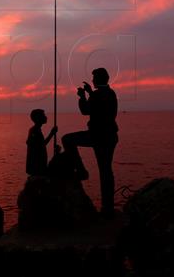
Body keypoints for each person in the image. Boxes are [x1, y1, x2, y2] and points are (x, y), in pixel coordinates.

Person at [62, 67, 119, 218]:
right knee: (106, 170)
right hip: (110, 136)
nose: (92, 80)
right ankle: (108, 208)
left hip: (97, 136)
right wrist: (90, 93)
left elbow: (86, 110)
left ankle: (81, 171)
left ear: (99, 79)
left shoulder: (98, 95)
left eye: (94, 78)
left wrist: (82, 96)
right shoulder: (110, 93)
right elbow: (99, 105)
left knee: (67, 139)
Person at [26, 109, 58, 177]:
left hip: (37, 166)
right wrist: (52, 133)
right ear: (38, 118)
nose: (46, 117)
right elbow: (41, 145)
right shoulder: (35, 131)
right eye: (43, 115)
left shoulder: (35, 130)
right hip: (37, 167)